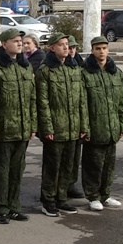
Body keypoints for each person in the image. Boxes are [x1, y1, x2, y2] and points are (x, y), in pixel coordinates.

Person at [36, 33, 88, 216]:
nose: (66, 48)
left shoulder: (74, 69)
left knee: (68, 165)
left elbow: (81, 100)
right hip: (56, 128)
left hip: (73, 127)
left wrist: (84, 126)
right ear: (52, 48)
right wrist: (47, 127)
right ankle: (48, 199)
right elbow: (42, 102)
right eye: (61, 45)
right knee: (52, 165)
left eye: (67, 44)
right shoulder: (45, 71)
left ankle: (61, 197)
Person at [0, 28, 36, 223]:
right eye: (15, 41)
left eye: (21, 41)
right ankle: (1, 208)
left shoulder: (25, 67)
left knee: (17, 170)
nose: (19, 44)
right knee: (2, 170)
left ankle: (14, 206)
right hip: (4, 129)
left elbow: (32, 99)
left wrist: (32, 125)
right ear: (4, 44)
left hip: (22, 128)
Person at [80, 36, 123, 211]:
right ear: (92, 50)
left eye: (104, 48)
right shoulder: (84, 73)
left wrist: (122, 125)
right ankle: (93, 196)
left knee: (109, 165)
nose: (101, 52)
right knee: (93, 164)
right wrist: (85, 128)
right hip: (95, 128)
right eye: (98, 48)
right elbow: (82, 104)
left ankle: (105, 194)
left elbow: (122, 101)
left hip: (112, 127)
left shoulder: (116, 72)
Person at [65, 35, 86, 199]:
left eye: (73, 47)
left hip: (78, 118)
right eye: (69, 47)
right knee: (63, 158)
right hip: (64, 119)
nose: (71, 50)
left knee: (74, 156)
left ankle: (71, 184)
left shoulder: (82, 66)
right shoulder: (60, 65)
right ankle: (61, 187)